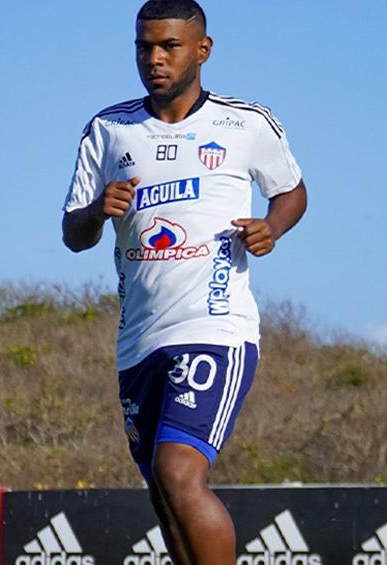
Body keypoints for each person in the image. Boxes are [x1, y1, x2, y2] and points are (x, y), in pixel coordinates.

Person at [60, 1, 306, 563]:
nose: (155, 59)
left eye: (169, 46)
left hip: (214, 325)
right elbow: (74, 234)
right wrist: (98, 211)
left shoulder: (245, 124)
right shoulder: (108, 130)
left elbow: (291, 190)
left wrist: (271, 227)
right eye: (144, 47)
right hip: (138, 340)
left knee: (178, 470)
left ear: (202, 49)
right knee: (165, 493)